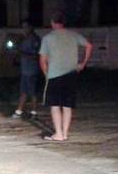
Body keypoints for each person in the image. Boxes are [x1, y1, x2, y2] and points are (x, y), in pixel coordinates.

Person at [38, 10, 93, 141]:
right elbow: (89, 46)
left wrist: (46, 74)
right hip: (71, 73)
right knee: (67, 105)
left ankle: (58, 133)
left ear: (52, 23)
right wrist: (83, 63)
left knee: (55, 105)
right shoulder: (73, 35)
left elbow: (42, 60)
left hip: (55, 75)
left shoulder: (48, 38)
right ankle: (65, 133)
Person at [11, 19, 42, 119]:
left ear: (31, 27)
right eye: (23, 27)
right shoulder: (24, 38)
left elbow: (35, 56)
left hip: (32, 70)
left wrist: (20, 53)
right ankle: (19, 111)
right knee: (23, 91)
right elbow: (21, 52)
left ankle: (34, 112)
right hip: (25, 70)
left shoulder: (35, 39)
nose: (24, 29)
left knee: (33, 92)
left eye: (26, 27)